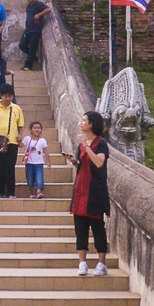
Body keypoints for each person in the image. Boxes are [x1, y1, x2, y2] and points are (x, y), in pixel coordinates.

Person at [71, 110, 111, 276]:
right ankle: (82, 262)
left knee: (97, 228)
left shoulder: (100, 144)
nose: (82, 123)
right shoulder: (80, 144)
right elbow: (82, 165)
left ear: (92, 124)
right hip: (81, 189)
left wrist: (87, 147)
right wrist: (74, 161)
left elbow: (99, 162)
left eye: (85, 120)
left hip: (95, 191)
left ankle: (101, 263)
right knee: (80, 228)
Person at [0, 85, 24, 197]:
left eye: (10, 96)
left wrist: (20, 136)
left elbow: (20, 125)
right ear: (1, 96)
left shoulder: (16, 108)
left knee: (10, 167)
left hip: (12, 142)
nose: (7, 99)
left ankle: (10, 192)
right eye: (5, 96)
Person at [19, 0, 50, 70]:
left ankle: (28, 66)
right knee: (22, 45)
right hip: (28, 30)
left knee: (33, 48)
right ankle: (33, 57)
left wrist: (39, 15)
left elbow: (48, 9)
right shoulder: (28, 7)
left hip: (35, 31)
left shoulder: (38, 4)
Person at [23, 121, 48, 199]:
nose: (37, 130)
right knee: (30, 178)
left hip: (39, 163)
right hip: (29, 163)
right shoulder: (27, 139)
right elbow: (21, 145)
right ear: (31, 130)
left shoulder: (42, 140)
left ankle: (39, 192)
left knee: (39, 177)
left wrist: (48, 162)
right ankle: (31, 193)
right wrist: (19, 140)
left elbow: (46, 152)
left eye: (38, 128)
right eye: (34, 128)